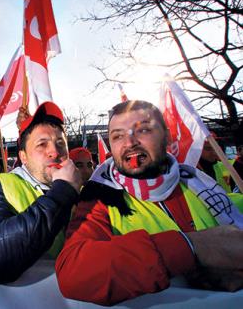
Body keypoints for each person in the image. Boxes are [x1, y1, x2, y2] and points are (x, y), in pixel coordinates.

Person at [56, 100, 243, 306]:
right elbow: (74, 275)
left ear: (168, 137)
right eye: (118, 136)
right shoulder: (98, 199)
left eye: (143, 130)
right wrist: (193, 247)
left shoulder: (203, 186)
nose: (129, 142)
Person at [0, 102, 82, 284]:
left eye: (60, 143)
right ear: (23, 157)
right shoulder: (1, 185)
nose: (54, 152)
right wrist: (61, 193)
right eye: (42, 144)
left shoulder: (87, 192)